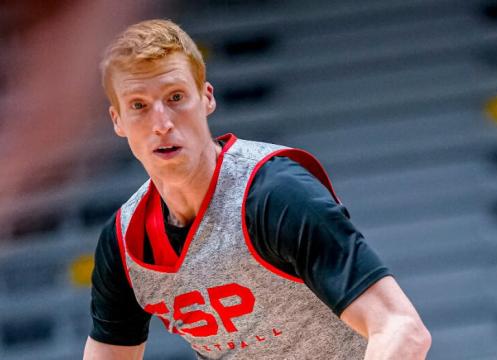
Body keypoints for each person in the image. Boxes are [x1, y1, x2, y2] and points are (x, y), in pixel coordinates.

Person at [82, 19, 431, 359]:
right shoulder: (124, 243)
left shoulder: (277, 194)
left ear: (206, 99)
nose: (161, 124)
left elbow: (402, 329)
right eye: (139, 106)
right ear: (117, 121)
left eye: (175, 97)